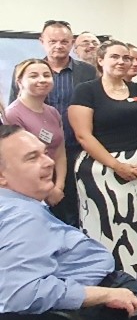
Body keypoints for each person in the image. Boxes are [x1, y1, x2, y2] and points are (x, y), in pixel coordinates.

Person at [0, 125, 137, 320]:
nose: (49, 162)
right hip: (103, 306)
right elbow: (20, 294)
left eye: (44, 153)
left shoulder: (13, 204)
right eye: (32, 158)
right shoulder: (22, 216)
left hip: (104, 292)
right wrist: (104, 295)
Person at [68, 40, 137, 281]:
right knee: (104, 223)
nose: (122, 62)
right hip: (101, 169)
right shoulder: (86, 91)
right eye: (115, 57)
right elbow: (83, 135)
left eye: (126, 58)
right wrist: (116, 165)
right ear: (101, 60)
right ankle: (106, 274)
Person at [9, 20, 97, 227]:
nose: (58, 45)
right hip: (33, 163)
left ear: (72, 42)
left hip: (76, 151)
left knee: (77, 209)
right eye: (53, 41)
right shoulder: (27, 71)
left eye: (64, 41)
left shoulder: (87, 72)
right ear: (42, 42)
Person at [4, 59, 66, 211]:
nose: (41, 80)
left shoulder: (53, 112)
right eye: (33, 76)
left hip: (54, 183)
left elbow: (60, 151)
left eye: (46, 75)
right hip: (28, 188)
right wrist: (48, 191)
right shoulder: (12, 115)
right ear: (19, 82)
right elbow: (15, 161)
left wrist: (58, 186)